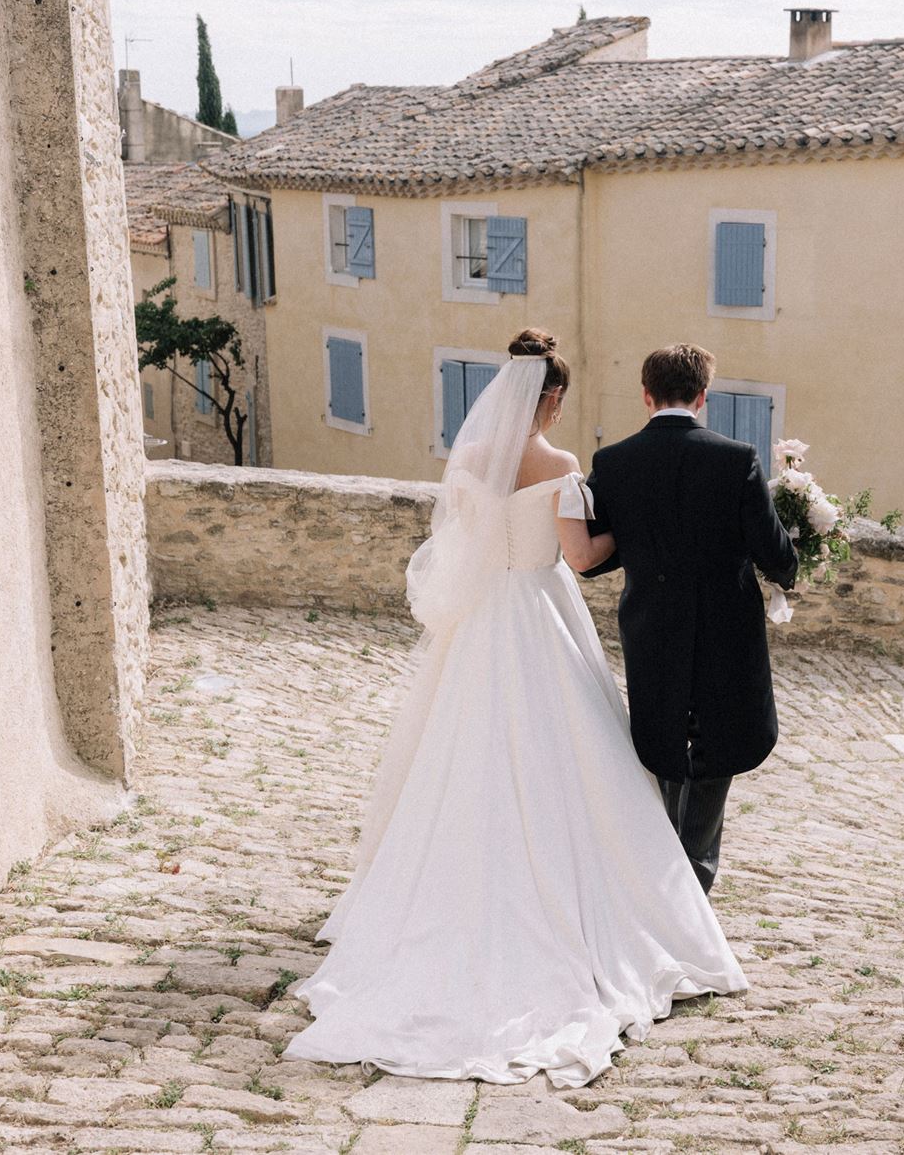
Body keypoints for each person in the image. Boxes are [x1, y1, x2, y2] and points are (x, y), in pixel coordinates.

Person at [283, 329, 745, 1088]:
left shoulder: (468, 459)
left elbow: (463, 541)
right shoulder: (560, 465)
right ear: (551, 398)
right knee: (571, 755)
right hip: (540, 610)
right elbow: (582, 555)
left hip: (480, 623)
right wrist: (630, 530)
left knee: (460, 753)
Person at [581, 343, 799, 894]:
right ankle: (690, 887)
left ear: (646, 395)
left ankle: (662, 879)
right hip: (726, 634)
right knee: (716, 750)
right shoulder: (737, 459)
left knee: (664, 746)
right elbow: (778, 558)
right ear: (703, 396)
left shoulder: (613, 463)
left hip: (652, 629)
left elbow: (594, 558)